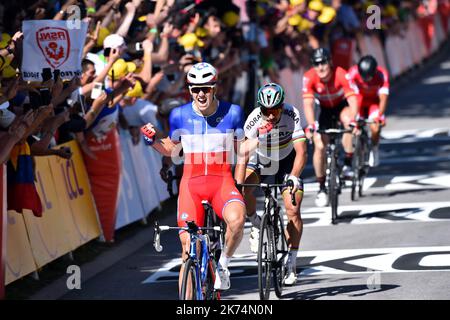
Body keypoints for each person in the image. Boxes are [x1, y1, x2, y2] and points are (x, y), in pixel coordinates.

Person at [140, 62, 246, 293]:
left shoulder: (233, 112)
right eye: (195, 88)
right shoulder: (179, 115)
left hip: (221, 181)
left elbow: (242, 150)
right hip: (192, 185)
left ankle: (223, 265)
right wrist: (153, 142)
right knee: (188, 249)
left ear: (214, 88)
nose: (200, 93)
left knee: (238, 220)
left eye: (205, 88)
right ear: (189, 89)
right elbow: (171, 148)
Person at [235, 82, 308, 286]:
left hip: (286, 161)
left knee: (293, 209)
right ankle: (256, 223)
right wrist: (239, 186)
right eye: (266, 110)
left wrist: (294, 176)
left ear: (282, 106)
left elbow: (302, 152)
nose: (270, 115)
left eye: (275, 109)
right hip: (262, 161)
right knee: (243, 191)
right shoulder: (254, 120)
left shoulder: (292, 114)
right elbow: (242, 154)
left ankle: (291, 262)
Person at [302, 47, 359, 207]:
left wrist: (354, 120)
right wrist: (312, 125)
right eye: (316, 64)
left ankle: (348, 163)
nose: (320, 67)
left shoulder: (341, 74)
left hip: (341, 107)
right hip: (325, 111)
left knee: (348, 122)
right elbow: (308, 104)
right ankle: (321, 188)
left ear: (330, 62)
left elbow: (352, 99)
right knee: (319, 146)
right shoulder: (309, 77)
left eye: (324, 63)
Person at [348, 55, 389, 167]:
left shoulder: (382, 74)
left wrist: (380, 116)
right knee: (351, 125)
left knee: (375, 127)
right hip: (358, 102)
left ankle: (374, 148)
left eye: (368, 77)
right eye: (363, 77)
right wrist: (353, 118)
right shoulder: (352, 73)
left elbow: (383, 98)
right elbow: (352, 97)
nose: (365, 80)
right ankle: (355, 151)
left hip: (373, 103)